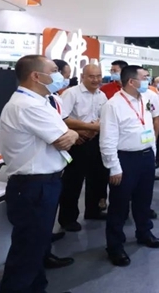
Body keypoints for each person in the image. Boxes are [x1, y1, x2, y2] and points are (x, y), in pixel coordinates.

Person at [0, 55, 79, 293]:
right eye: (54, 70)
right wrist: (72, 134)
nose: (59, 76)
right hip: (33, 185)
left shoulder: (40, 101)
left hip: (42, 183)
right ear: (36, 76)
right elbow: (63, 139)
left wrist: (71, 133)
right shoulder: (28, 106)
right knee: (27, 250)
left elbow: (65, 133)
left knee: (36, 247)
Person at [99, 65, 159, 267]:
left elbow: (148, 126)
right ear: (131, 81)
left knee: (144, 200)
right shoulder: (113, 105)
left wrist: (152, 151)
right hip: (125, 159)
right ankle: (115, 245)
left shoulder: (145, 99)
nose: (148, 81)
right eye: (144, 77)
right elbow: (107, 139)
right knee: (119, 205)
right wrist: (113, 167)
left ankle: (144, 232)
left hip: (146, 156)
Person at [58, 64, 108, 233]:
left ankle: (93, 210)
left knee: (98, 177)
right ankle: (68, 218)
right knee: (73, 181)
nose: (96, 80)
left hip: (95, 140)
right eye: (91, 76)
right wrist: (83, 129)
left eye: (98, 76)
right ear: (83, 77)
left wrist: (94, 129)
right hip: (76, 141)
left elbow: (105, 117)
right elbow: (62, 118)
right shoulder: (71, 93)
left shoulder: (102, 95)